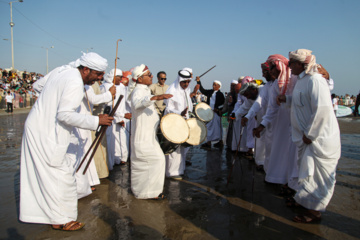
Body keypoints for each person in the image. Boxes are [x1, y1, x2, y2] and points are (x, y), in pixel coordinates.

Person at [19, 52, 114, 230]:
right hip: (45, 132)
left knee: (55, 175)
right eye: (98, 74)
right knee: (62, 176)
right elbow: (64, 115)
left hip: (40, 127)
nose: (99, 78)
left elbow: (38, 86)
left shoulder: (62, 71)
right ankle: (62, 220)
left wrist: (48, 104)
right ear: (85, 69)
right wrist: (96, 121)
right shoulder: (75, 81)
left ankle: (57, 218)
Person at [278, 49, 341, 223]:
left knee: (317, 176)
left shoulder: (316, 80)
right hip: (306, 139)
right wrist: (287, 100)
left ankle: (314, 213)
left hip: (318, 139)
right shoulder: (301, 80)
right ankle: (307, 204)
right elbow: (302, 102)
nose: (289, 67)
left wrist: (310, 134)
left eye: (291, 63)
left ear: (300, 64)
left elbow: (323, 109)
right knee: (307, 174)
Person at [253, 54, 298, 194]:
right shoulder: (274, 86)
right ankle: (285, 181)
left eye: (271, 67)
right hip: (281, 125)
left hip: (297, 124)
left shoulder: (295, 79)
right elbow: (272, 109)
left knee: (295, 156)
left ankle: (293, 186)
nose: (270, 71)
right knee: (282, 152)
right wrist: (262, 125)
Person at [66, 74, 116, 199]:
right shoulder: (76, 84)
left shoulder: (86, 86)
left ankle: (85, 184)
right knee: (78, 155)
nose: (99, 78)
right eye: (98, 74)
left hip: (86, 122)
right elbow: (94, 99)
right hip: (79, 122)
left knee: (84, 153)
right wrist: (109, 94)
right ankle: (78, 186)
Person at [130, 64, 172, 199]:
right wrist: (155, 98)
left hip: (149, 136)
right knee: (155, 160)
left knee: (152, 163)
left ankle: (149, 192)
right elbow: (137, 103)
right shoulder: (138, 91)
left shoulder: (145, 90)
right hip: (143, 137)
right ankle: (146, 192)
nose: (152, 76)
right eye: (149, 75)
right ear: (140, 78)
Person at [164, 70, 198, 180]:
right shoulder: (172, 90)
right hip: (173, 123)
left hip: (184, 122)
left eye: (188, 82)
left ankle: (180, 169)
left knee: (183, 148)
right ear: (180, 80)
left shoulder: (186, 91)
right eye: (184, 82)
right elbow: (168, 109)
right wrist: (180, 113)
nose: (186, 84)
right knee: (174, 148)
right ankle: (172, 172)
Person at [101, 68, 125, 170]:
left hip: (119, 117)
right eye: (118, 77)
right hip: (109, 117)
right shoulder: (106, 87)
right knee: (109, 141)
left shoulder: (121, 87)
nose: (120, 79)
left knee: (116, 141)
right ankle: (108, 164)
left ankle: (115, 160)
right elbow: (107, 104)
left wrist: (121, 116)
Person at [196, 77, 225, 149]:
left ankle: (220, 142)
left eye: (215, 85)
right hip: (209, 113)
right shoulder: (210, 92)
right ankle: (208, 142)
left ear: (219, 86)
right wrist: (198, 81)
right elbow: (202, 90)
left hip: (216, 113)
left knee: (218, 128)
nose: (213, 86)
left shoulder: (220, 94)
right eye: (213, 84)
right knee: (208, 127)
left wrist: (218, 109)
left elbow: (223, 104)